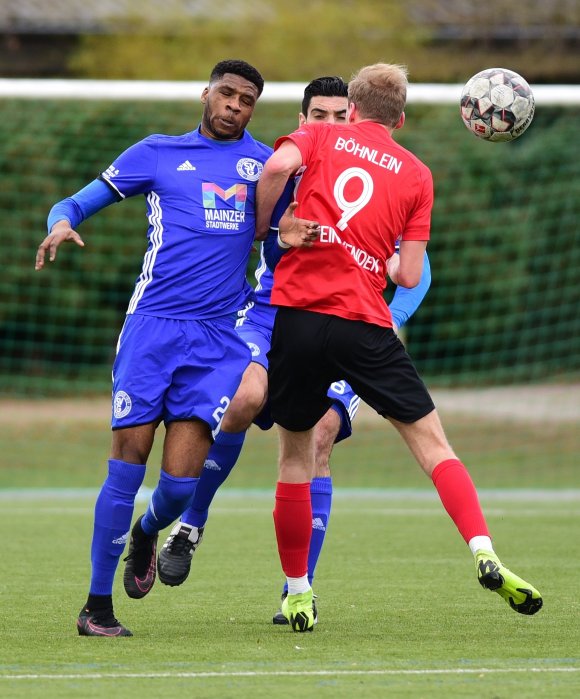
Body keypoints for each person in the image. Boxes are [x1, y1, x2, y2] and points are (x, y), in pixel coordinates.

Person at [254, 63, 543, 632]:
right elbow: (409, 277)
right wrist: (377, 255)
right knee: (433, 445)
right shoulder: (417, 174)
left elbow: (277, 166)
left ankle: (298, 592)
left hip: (299, 317)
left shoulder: (321, 133)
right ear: (401, 118)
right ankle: (483, 551)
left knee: (295, 458)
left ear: (352, 109)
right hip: (364, 323)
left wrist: (270, 227)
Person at [155, 76, 432, 627]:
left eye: (339, 116)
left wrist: (390, 317)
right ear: (302, 120)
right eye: (317, 116)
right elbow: (241, 231)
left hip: (345, 323)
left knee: (320, 436)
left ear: (353, 118)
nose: (329, 126)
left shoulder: (370, 172)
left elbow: (417, 269)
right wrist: (276, 230)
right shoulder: (277, 169)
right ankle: (192, 523)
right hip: (270, 314)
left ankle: (296, 588)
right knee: (242, 400)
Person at [35, 59, 274, 637]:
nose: (234, 106)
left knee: (177, 488)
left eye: (245, 99)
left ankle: (147, 532)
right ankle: (96, 607)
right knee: (126, 464)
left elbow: (288, 234)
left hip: (217, 339)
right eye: (226, 94)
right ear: (206, 94)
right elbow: (77, 202)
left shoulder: (266, 166)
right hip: (152, 330)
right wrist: (60, 221)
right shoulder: (158, 152)